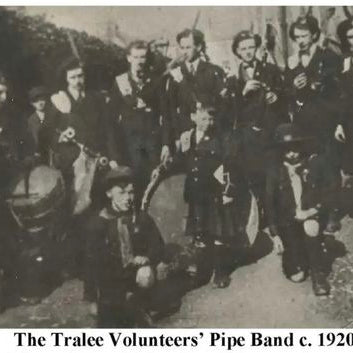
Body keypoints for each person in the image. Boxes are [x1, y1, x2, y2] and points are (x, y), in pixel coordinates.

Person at [85, 166, 165, 327]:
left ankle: (143, 304)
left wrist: (147, 258)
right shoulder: (99, 222)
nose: (128, 198)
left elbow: (158, 246)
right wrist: (91, 298)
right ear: (109, 194)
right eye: (121, 193)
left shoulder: (141, 218)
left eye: (131, 192)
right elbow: (90, 263)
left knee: (146, 275)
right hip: (111, 281)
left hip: (134, 276)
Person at [285, 13, 342, 234]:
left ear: (314, 35)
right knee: (309, 166)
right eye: (296, 36)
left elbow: (337, 93)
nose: (300, 40)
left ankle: (333, 213)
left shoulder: (328, 56)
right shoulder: (292, 61)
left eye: (304, 35)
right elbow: (288, 95)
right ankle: (314, 209)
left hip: (326, 122)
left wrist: (338, 124)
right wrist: (294, 86)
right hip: (303, 124)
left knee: (329, 165)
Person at [228, 30, 287, 228]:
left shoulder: (270, 70)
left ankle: (275, 222)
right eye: (243, 49)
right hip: (249, 137)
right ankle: (261, 217)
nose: (248, 52)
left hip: (269, 133)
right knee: (255, 178)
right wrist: (243, 92)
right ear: (237, 51)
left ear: (257, 48)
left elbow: (284, 96)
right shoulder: (234, 78)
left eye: (251, 47)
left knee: (272, 179)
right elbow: (230, 111)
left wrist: (276, 98)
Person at [170, 101, 233, 288]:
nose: (208, 123)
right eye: (204, 118)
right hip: (195, 193)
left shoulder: (220, 139)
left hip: (213, 192)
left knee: (218, 233)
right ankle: (202, 270)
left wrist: (226, 191)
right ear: (194, 117)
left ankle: (221, 272)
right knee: (200, 233)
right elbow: (182, 162)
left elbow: (226, 166)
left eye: (211, 119)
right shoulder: (187, 137)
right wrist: (167, 166)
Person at [266, 123, 331, 296]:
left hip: (309, 216)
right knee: (298, 275)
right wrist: (275, 234)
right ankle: (294, 257)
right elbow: (269, 204)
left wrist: (312, 212)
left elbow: (326, 194)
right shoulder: (274, 171)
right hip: (287, 222)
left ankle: (318, 274)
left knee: (311, 228)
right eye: (286, 150)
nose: (291, 154)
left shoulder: (312, 166)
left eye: (295, 148)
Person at [108, 40, 164, 208]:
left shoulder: (155, 82)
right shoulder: (120, 82)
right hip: (129, 149)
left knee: (154, 194)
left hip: (153, 148)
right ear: (129, 58)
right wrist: (113, 154)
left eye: (143, 57)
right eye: (136, 57)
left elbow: (165, 114)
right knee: (132, 194)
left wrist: (166, 144)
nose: (140, 61)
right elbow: (111, 123)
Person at [163, 28, 227, 164]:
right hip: (184, 137)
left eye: (189, 47)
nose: (184, 51)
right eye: (182, 47)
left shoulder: (213, 71)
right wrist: (172, 139)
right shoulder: (175, 73)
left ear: (198, 47)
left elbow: (222, 107)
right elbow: (170, 110)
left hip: (209, 136)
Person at [26, 86, 57, 165]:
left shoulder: (53, 116)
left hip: (54, 154)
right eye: (36, 101)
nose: (40, 103)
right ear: (31, 103)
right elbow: (31, 139)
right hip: (38, 156)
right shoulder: (31, 120)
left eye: (42, 99)